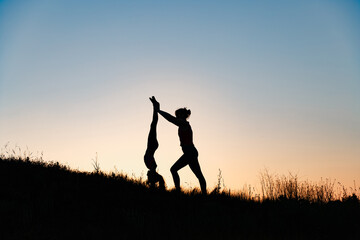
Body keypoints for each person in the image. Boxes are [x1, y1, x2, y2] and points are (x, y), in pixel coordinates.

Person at [152, 96, 207, 194]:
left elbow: (170, 119)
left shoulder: (184, 124)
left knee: (174, 169)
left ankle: (178, 192)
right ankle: (204, 195)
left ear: (183, 115)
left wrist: (158, 110)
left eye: (178, 115)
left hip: (190, 152)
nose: (177, 116)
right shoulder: (183, 124)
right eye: (176, 115)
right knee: (198, 175)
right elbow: (172, 119)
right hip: (190, 152)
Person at [144, 96, 165, 190]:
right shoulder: (151, 166)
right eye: (149, 176)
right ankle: (156, 107)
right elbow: (149, 157)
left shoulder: (152, 166)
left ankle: (155, 107)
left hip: (152, 146)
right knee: (153, 124)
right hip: (151, 146)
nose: (147, 175)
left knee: (153, 124)